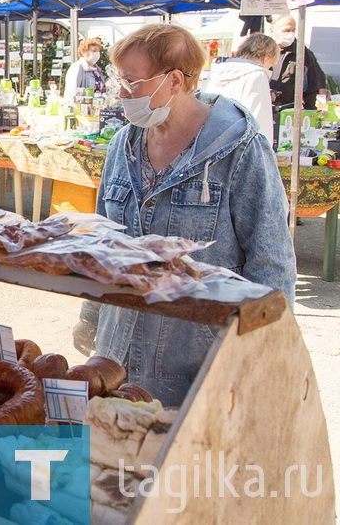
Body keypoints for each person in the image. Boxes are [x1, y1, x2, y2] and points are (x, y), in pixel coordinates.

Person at [77, 24, 295, 407]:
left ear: (174, 80)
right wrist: (92, 315)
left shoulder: (240, 151)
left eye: (132, 82)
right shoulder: (123, 145)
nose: (122, 93)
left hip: (196, 365)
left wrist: (264, 355)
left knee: (185, 466)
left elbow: (271, 263)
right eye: (119, 80)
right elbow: (105, 242)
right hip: (117, 355)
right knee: (116, 461)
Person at [202, 32, 278, 145]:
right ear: (267, 57)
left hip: (208, 143)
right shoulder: (256, 76)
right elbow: (258, 123)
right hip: (238, 148)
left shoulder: (215, 73)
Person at [269, 14, 327, 110]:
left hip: (289, 109)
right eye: (286, 30)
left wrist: (310, 110)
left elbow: (314, 80)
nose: (290, 34)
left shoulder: (301, 52)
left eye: (293, 30)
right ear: (272, 30)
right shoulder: (262, 49)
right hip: (265, 107)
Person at [63, 37, 105, 103]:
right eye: (94, 51)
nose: (97, 54)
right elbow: (72, 91)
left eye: (98, 51)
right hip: (82, 108)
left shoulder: (97, 69)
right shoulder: (77, 67)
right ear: (83, 52)